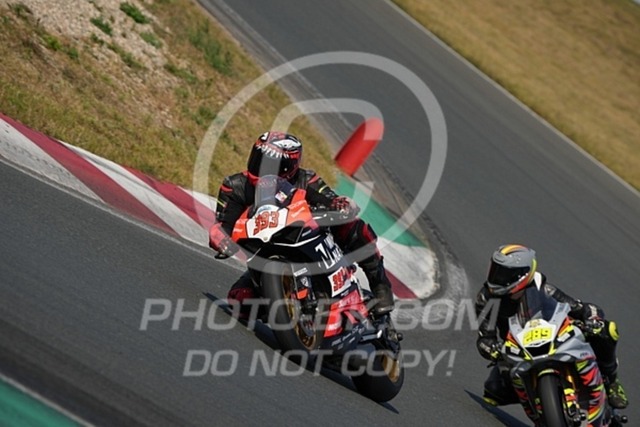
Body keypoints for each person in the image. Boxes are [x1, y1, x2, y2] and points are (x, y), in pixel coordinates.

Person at [208, 131, 395, 316]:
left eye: (274, 165)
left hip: (305, 241)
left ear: (291, 167)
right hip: (265, 255)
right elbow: (223, 225)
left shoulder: (306, 179)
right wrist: (221, 240)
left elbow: (331, 199)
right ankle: (288, 312)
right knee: (239, 300)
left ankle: (380, 285)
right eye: (260, 160)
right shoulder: (234, 186)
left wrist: (341, 204)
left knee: (353, 226)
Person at [475, 244, 628, 413]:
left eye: (504, 274)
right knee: (493, 391)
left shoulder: (544, 288)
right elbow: (484, 338)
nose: (497, 278)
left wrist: (593, 320)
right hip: (517, 350)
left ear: (523, 274)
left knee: (607, 330)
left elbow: (582, 308)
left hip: (555, 337)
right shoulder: (486, 298)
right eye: (495, 270)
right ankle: (540, 406)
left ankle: (612, 382)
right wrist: (492, 349)